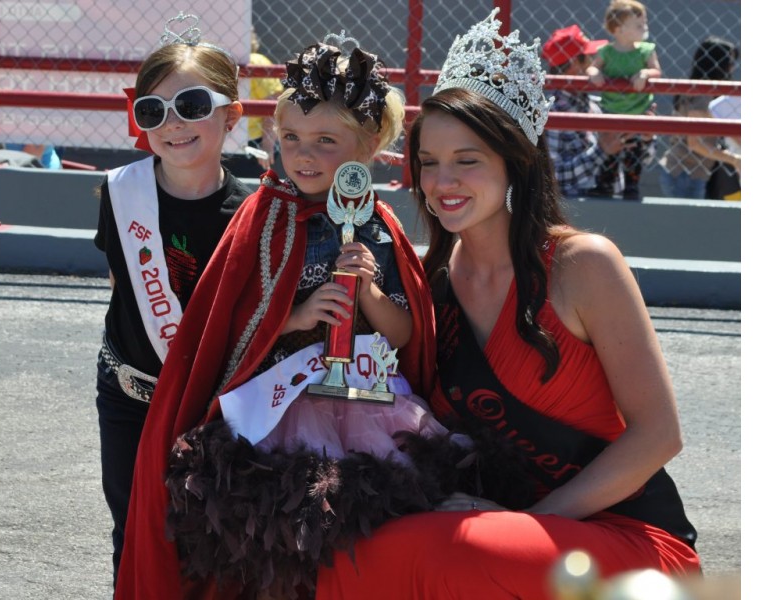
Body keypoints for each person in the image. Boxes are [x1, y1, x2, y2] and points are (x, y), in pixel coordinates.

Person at [114, 32, 521, 600]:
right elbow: (229, 328)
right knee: (274, 548)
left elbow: (408, 334)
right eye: (291, 138)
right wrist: (298, 314)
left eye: (325, 141)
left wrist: (370, 296)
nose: (304, 155)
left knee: (362, 540)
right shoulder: (263, 216)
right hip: (280, 410)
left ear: (368, 146)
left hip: (369, 408)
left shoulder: (380, 227)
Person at [315, 9, 700, 599]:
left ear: (514, 162)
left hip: (624, 537)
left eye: (467, 160)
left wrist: (534, 520)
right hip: (502, 532)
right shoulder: (429, 281)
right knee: (348, 550)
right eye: (428, 162)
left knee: (443, 550)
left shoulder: (583, 265)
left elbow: (659, 436)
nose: (443, 181)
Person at [93, 11, 250, 592]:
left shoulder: (252, 211)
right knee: (133, 530)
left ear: (232, 115)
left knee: (211, 535)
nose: (173, 124)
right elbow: (122, 287)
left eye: (192, 107)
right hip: (131, 397)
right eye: (154, 111)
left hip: (212, 404)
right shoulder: (120, 195)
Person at [541, 24, 631, 198]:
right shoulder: (551, 111)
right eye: (590, 57)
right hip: (576, 213)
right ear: (575, 63)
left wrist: (645, 139)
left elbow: (636, 159)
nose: (596, 62)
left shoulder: (596, 104)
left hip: (613, 205)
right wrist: (601, 150)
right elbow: (554, 177)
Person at [586, 0, 662, 200]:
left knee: (633, 153)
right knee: (610, 153)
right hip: (611, 111)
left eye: (644, 23)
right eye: (638, 24)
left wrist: (645, 73)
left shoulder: (645, 50)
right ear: (618, 29)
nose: (644, 27)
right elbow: (593, 67)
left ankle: (631, 186)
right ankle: (605, 184)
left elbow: (656, 71)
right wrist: (594, 73)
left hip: (638, 111)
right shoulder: (607, 52)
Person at [658, 36, 741, 200]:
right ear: (716, 63)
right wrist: (735, 160)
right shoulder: (701, 94)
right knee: (686, 224)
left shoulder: (699, 90)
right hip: (684, 173)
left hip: (693, 172)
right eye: (728, 63)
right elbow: (695, 143)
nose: (732, 68)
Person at [243, 26, 283, 176]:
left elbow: (273, 105)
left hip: (254, 142)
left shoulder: (255, 60)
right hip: (242, 141)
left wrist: (266, 145)